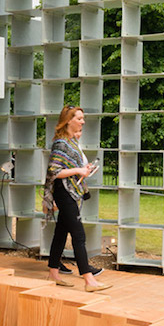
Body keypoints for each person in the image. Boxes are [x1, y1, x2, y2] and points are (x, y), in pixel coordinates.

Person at [43, 105, 111, 292]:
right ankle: (89, 281)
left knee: (61, 233)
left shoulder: (72, 142)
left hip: (70, 191)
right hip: (64, 193)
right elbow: (54, 171)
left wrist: (84, 169)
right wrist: (79, 170)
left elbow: (71, 166)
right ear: (68, 120)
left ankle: (53, 273)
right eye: (79, 118)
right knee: (79, 236)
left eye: (82, 118)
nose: (83, 121)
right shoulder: (61, 143)